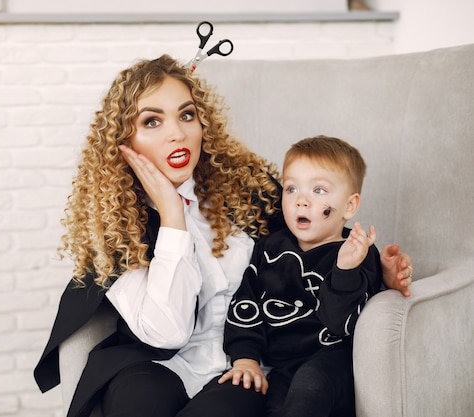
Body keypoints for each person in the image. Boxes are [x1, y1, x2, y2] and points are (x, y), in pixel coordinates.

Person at [33, 55, 412, 417]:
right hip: (155, 361)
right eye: (152, 121)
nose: (177, 134)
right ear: (125, 140)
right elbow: (168, 333)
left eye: (186, 115)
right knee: (139, 407)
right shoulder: (114, 228)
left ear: (203, 124)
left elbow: (317, 243)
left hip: (246, 363)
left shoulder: (250, 191)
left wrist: (376, 274)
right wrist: (171, 214)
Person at [186, 135, 382, 417]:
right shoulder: (270, 248)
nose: (301, 201)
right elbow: (246, 304)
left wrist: (345, 270)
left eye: (318, 190)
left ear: (349, 206)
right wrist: (246, 358)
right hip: (282, 367)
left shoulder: (358, 252)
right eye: (291, 189)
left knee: (310, 387)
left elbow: (345, 323)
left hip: (333, 362)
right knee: (275, 406)